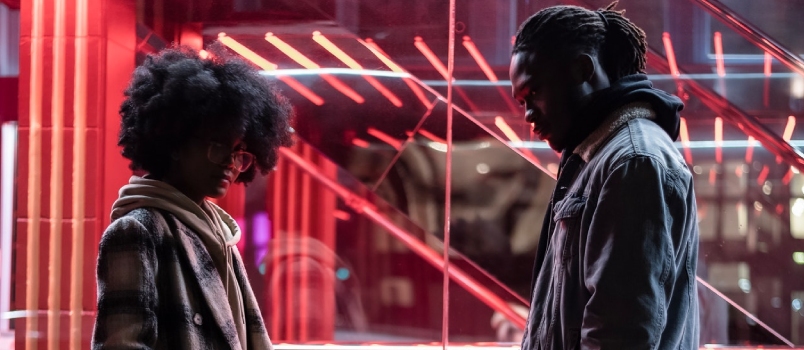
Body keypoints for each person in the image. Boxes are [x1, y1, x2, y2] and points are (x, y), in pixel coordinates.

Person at [509, 2, 700, 349]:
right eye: (521, 101)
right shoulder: (600, 159)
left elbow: (619, 336)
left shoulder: (632, 164)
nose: (528, 114)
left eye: (534, 92)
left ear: (583, 69)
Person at [92, 43, 293, 349]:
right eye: (217, 145)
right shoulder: (137, 230)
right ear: (174, 142)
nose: (230, 162)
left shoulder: (220, 235)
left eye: (240, 152)